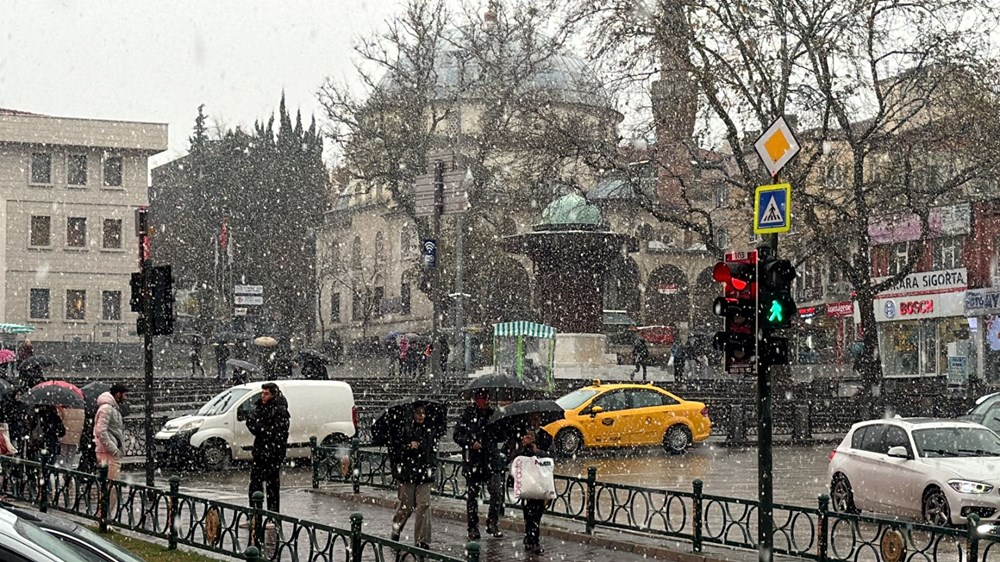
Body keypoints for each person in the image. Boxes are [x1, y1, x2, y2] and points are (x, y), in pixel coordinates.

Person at [453, 390, 503, 540]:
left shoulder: (493, 415)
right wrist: (470, 442)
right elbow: (457, 435)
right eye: (480, 398)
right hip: (473, 460)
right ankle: (473, 527)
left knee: (496, 492)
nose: (482, 401)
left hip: (489, 460)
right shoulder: (467, 415)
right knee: (472, 496)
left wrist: (495, 430)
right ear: (475, 399)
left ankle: (492, 522)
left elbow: (501, 436)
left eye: (485, 398)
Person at [389, 404, 440, 549]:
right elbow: (396, 451)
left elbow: (432, 451)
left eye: (423, 413)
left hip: (424, 473)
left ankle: (421, 540)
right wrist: (408, 447)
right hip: (408, 473)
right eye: (418, 413)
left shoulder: (429, 430)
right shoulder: (404, 429)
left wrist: (431, 464)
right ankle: (396, 527)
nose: (420, 416)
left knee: (424, 505)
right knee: (407, 506)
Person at [512, 413, 553, 555]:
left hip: (541, 481)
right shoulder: (521, 435)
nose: (534, 423)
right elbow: (514, 455)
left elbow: (552, 457)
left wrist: (539, 452)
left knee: (537, 512)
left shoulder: (546, 436)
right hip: (527, 480)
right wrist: (522, 445)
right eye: (532, 420)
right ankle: (531, 538)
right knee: (528, 511)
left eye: (537, 420)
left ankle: (533, 538)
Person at [245, 382, 290, 512]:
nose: (263, 396)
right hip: (260, 451)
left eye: (266, 394)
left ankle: (273, 514)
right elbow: (253, 425)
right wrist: (260, 426)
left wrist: (261, 427)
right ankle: (254, 512)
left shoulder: (280, 410)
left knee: (272, 485)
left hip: (273, 452)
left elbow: (279, 432)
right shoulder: (259, 407)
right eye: (262, 393)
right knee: (255, 483)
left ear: (273, 394)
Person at [93, 384, 127, 479]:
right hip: (108, 451)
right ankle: (109, 494)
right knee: (112, 481)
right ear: (118, 394)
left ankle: (108, 493)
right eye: (124, 395)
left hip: (108, 450)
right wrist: (113, 449)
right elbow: (101, 431)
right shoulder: (107, 409)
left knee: (110, 480)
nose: (126, 398)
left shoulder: (111, 407)